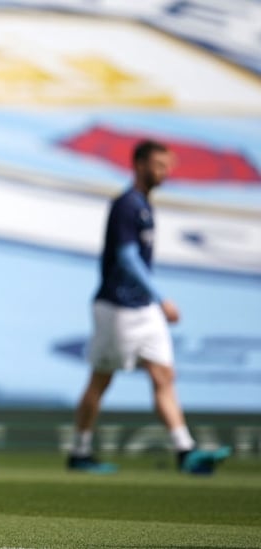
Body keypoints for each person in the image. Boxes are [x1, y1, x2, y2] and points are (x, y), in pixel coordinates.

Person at [67, 139, 231, 475]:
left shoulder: (144, 205)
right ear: (139, 164)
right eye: (159, 165)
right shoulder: (127, 205)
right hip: (118, 307)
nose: (165, 172)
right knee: (101, 378)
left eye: (168, 165)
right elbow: (126, 258)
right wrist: (161, 298)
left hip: (142, 308)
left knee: (164, 375)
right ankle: (79, 451)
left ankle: (185, 451)